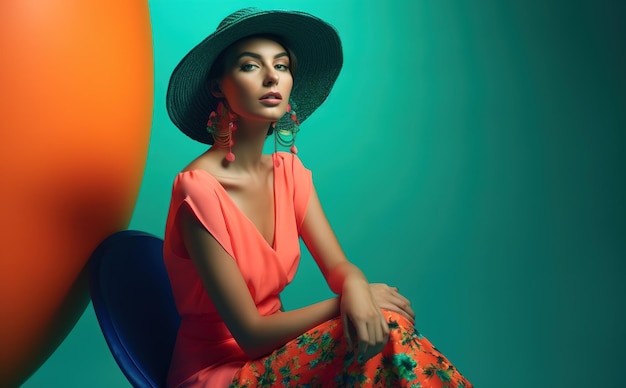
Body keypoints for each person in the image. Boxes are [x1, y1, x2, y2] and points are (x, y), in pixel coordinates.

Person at [163, 7, 472, 388]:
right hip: (220, 374)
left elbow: (339, 267)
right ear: (217, 86)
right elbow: (250, 333)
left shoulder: (288, 172)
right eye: (249, 66)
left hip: (277, 356)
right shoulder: (197, 189)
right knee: (381, 323)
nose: (271, 77)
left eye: (282, 65)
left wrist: (357, 287)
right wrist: (350, 301)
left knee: (381, 330)